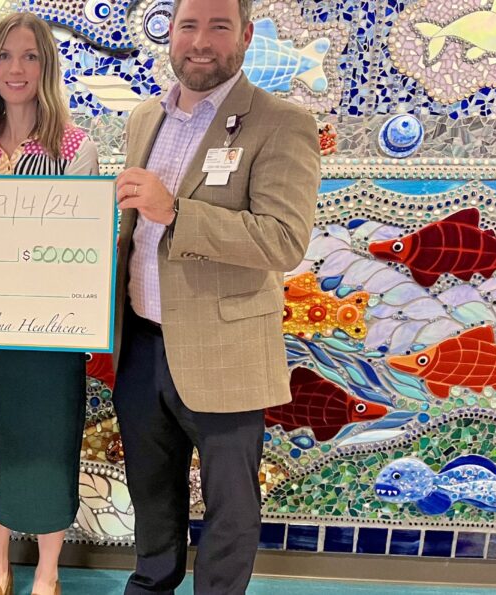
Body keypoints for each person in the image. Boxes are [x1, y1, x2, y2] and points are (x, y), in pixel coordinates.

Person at [111, 0, 320, 592]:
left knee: (230, 507)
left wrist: (176, 211)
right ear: (170, 34)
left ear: (246, 35)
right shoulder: (143, 120)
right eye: (189, 25)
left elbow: (283, 241)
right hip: (142, 346)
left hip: (225, 349)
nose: (201, 41)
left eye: (219, 26)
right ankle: (150, 586)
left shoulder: (280, 122)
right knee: (152, 493)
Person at [0, 12, 98, 595]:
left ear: (47, 66)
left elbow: (84, 243)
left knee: (47, 445)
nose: (17, 68)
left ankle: (47, 571)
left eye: (30, 56)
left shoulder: (74, 145)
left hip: (49, 334)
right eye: (6, 56)